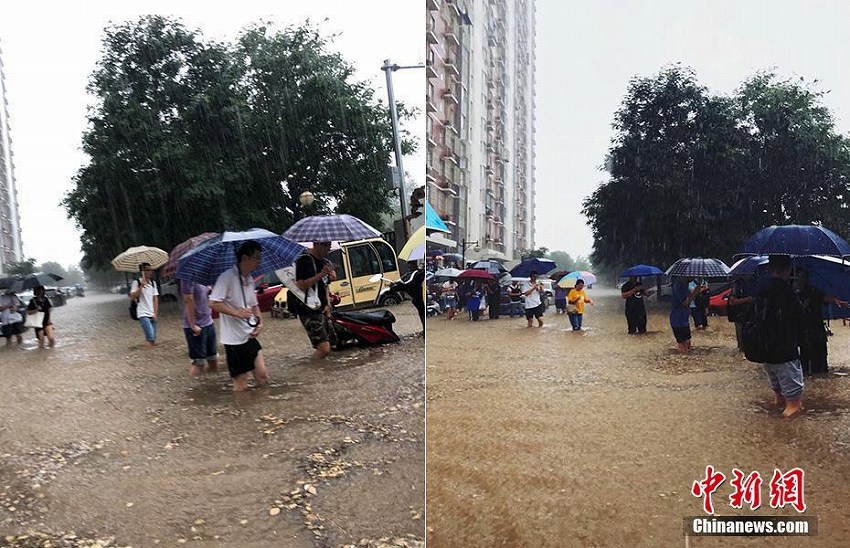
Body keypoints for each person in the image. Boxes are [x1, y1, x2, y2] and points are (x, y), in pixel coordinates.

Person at [209, 240, 269, 391]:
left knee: (262, 376)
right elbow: (213, 303)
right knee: (241, 382)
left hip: (249, 335)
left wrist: (260, 322)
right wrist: (237, 313)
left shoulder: (249, 278)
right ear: (244, 258)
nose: (259, 261)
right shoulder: (226, 277)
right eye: (256, 257)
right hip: (234, 340)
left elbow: (254, 305)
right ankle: (241, 412)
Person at [757, 255, 806, 418]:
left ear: (771, 268)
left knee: (778, 399)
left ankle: (772, 426)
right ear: (788, 269)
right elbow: (800, 319)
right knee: (794, 405)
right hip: (785, 352)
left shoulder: (762, 289)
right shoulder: (787, 292)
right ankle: (781, 435)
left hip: (766, 352)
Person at [794, 269, 847, 376]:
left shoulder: (813, 290)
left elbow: (825, 297)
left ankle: (819, 377)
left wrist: (837, 301)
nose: (801, 280)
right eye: (799, 277)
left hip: (817, 330)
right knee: (805, 361)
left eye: (803, 277)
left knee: (820, 361)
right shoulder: (791, 294)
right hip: (804, 333)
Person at [291, 240, 337, 360]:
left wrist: (327, 303)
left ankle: (322, 372)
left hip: (322, 307)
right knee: (324, 348)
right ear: (316, 244)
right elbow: (301, 284)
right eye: (326, 246)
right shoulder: (304, 260)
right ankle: (310, 369)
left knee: (332, 343)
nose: (328, 249)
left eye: (330, 246)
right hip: (308, 309)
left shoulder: (324, 262)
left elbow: (325, 285)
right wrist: (321, 274)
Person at [180, 279, 218, 377]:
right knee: (199, 362)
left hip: (208, 321)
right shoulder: (187, 278)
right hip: (195, 325)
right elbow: (188, 299)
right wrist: (193, 324)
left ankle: (210, 387)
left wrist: (210, 289)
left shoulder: (204, 276)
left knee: (213, 359)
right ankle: (195, 390)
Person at [130, 263, 159, 347]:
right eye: (147, 270)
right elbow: (132, 297)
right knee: (150, 337)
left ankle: (150, 356)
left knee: (153, 339)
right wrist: (141, 286)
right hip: (142, 313)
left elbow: (155, 299)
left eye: (151, 270)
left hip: (152, 313)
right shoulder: (137, 282)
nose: (150, 272)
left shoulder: (153, 283)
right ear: (142, 271)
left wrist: (155, 313)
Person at [669, 277, 702, 353]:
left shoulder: (684, 285)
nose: (694, 277)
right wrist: (695, 292)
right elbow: (685, 302)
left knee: (688, 344)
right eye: (693, 275)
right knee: (683, 347)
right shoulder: (679, 286)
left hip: (683, 318)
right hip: (678, 319)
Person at [392, 261, 426, 329]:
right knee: (422, 314)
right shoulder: (411, 274)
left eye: (410, 264)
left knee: (422, 314)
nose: (409, 266)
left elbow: (405, 284)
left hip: (419, 298)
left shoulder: (417, 274)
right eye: (409, 264)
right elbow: (402, 282)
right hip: (417, 299)